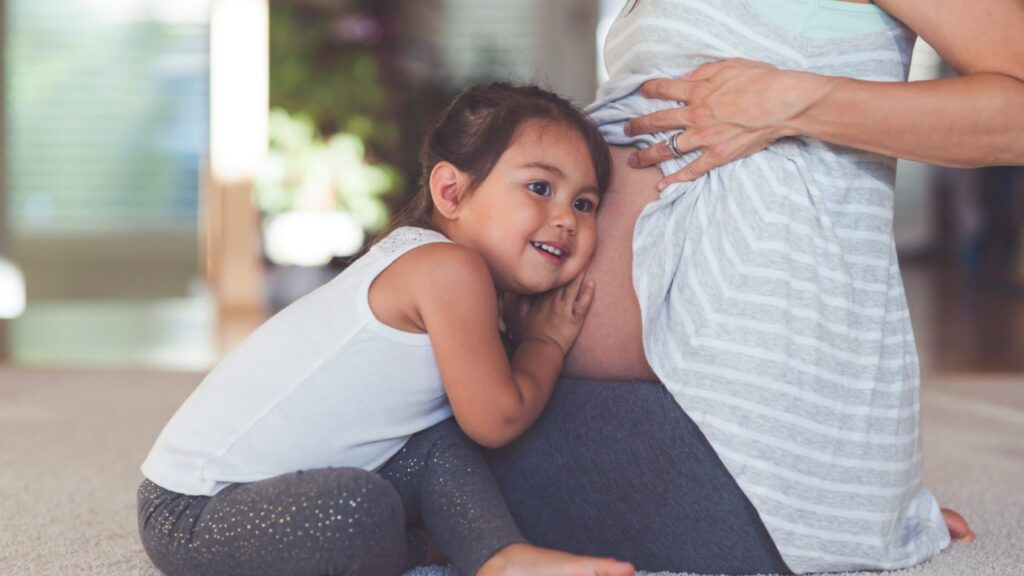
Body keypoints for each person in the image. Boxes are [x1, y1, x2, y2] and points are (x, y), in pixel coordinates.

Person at [488, 0, 1018, 573]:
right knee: (414, 402)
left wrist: (791, 103)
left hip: (722, 438)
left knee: (423, 465)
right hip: (570, 394)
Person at [137, 83, 635, 576]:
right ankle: (428, 551)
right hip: (194, 512)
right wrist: (545, 342)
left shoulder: (447, 270)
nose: (566, 219)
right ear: (451, 192)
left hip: (279, 489)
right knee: (359, 509)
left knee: (436, 445)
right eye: (540, 188)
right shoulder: (448, 270)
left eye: (585, 204)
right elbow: (497, 419)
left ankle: (498, 554)